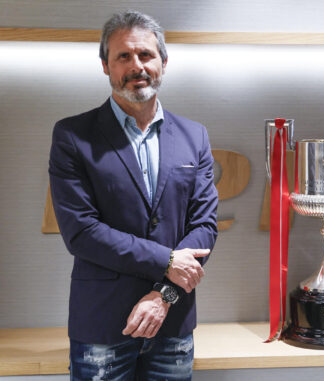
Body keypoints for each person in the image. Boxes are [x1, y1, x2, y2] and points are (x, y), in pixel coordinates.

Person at [49, 10, 218, 380]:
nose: (136, 65)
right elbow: (81, 232)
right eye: (123, 56)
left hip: (173, 322)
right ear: (105, 66)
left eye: (145, 54)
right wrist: (168, 261)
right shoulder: (73, 137)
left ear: (164, 62)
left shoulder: (195, 136)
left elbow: (204, 225)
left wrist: (164, 295)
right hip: (103, 327)